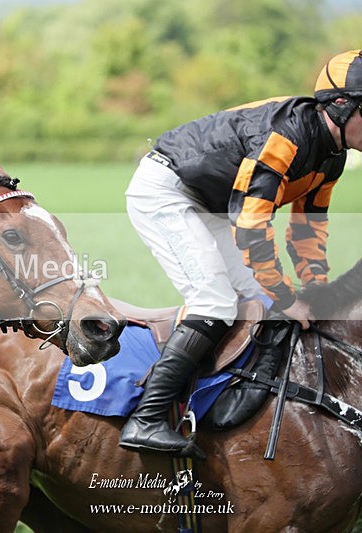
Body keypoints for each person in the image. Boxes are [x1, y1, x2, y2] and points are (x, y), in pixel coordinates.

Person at [119, 49, 362, 457]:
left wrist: (315, 294)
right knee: (215, 301)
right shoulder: (288, 136)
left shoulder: (333, 157)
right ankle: (147, 417)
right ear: (340, 105)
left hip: (214, 202)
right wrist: (286, 296)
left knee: (263, 303)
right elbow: (251, 226)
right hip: (166, 191)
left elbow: (308, 229)